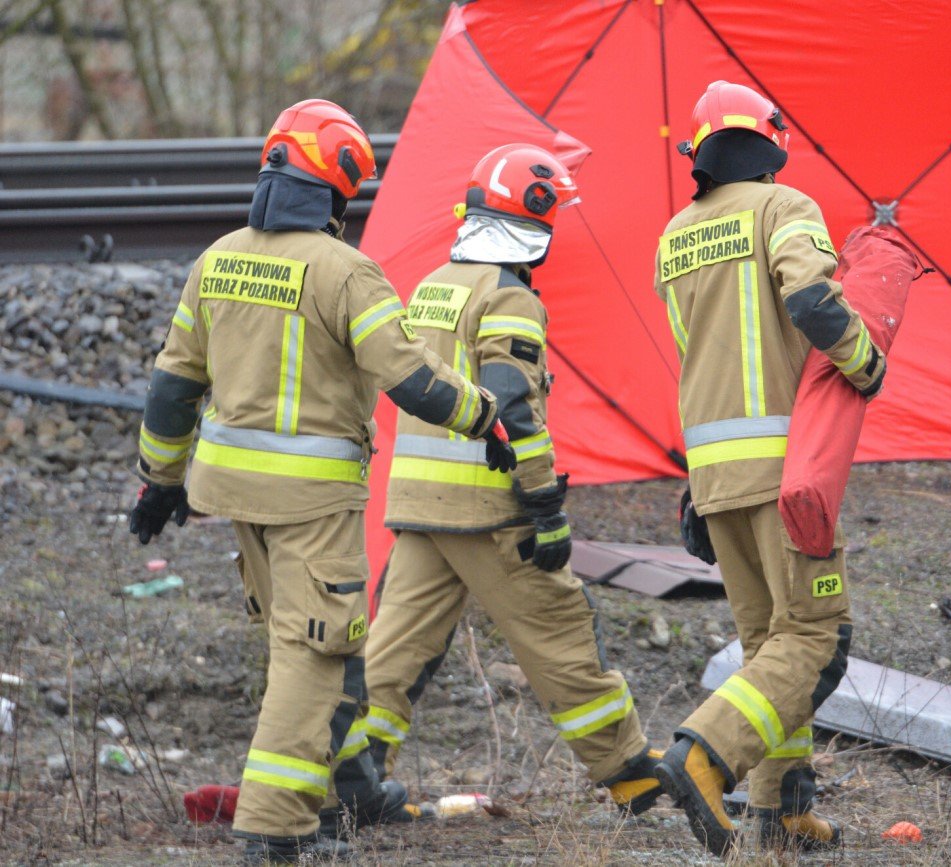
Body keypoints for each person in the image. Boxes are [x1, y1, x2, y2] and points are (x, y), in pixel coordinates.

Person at [128, 99, 515, 865]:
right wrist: (484, 417)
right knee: (315, 654)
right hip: (310, 504)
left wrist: (159, 480)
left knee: (310, 640)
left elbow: (173, 389)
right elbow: (411, 380)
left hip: (231, 496)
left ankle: (350, 788)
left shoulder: (217, 259)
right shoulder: (346, 271)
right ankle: (273, 828)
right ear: (338, 186)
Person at [333, 143, 664, 822]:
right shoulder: (509, 296)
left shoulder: (434, 283)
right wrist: (544, 504)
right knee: (561, 633)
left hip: (420, 506)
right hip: (489, 508)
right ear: (534, 218)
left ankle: (350, 780)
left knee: (393, 654)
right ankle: (631, 773)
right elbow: (512, 405)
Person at [652, 81, 886, 857]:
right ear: (770, 143)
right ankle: (703, 754)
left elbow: (701, 358)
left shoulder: (675, 234)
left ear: (703, 156)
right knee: (817, 636)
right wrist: (864, 361)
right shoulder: (783, 209)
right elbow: (815, 301)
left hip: (714, 476)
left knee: (768, 646)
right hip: (786, 471)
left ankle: (780, 810)